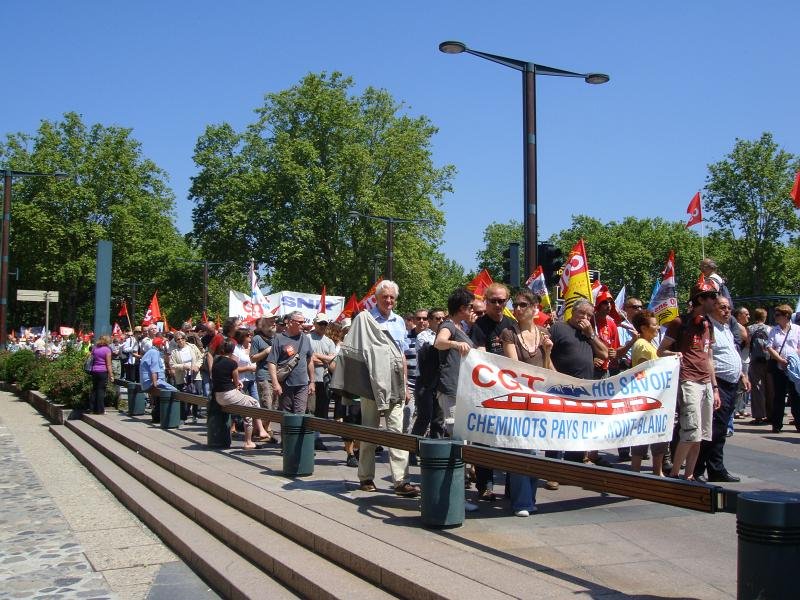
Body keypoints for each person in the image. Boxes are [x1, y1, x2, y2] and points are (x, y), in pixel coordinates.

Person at [357, 279, 419, 498]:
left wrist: (405, 385)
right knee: (369, 429)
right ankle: (365, 476)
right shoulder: (364, 318)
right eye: (385, 297)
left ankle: (401, 481)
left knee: (397, 431)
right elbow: (356, 351)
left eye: (392, 297)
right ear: (377, 297)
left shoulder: (399, 321)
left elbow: (401, 355)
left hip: (394, 381)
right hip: (371, 380)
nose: (389, 300)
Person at [658, 280, 720, 480]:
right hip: (689, 380)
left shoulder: (708, 324)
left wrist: (715, 387)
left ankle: (690, 475)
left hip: (706, 383)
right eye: (713, 298)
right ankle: (676, 473)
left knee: (702, 433)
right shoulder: (679, 322)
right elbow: (661, 351)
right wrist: (675, 355)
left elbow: (709, 357)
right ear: (701, 299)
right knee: (691, 430)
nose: (716, 302)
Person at [500, 289, 553, 516]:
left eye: (523, 305)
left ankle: (528, 498)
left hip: (538, 399)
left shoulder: (543, 334)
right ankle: (522, 502)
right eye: (516, 305)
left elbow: (548, 369)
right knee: (521, 448)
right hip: (518, 397)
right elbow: (515, 367)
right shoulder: (509, 333)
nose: (517, 309)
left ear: (534, 309)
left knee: (534, 449)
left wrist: (548, 351)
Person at [469, 282, 516, 501]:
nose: (498, 305)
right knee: (484, 440)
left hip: (512, 391)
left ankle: (510, 486)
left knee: (509, 441)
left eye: (502, 301)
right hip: (488, 392)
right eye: (493, 301)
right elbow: (481, 356)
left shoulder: (512, 324)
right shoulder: (479, 326)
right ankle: (484, 485)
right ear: (486, 301)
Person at [693, 296, 747, 482]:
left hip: (732, 384)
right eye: (723, 307)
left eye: (729, 308)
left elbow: (732, 353)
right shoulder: (708, 327)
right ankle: (697, 469)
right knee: (713, 428)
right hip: (718, 384)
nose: (727, 311)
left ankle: (716, 468)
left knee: (721, 429)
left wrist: (742, 374)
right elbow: (708, 358)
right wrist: (714, 386)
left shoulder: (726, 328)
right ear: (713, 308)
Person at [549, 298, 609, 465]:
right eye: (581, 313)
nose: (584, 318)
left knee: (578, 431)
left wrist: (591, 335)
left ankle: (573, 467)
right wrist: (554, 376)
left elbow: (604, 354)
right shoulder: (559, 328)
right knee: (558, 432)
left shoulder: (588, 333)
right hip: (561, 388)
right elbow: (546, 353)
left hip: (584, 390)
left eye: (589, 315)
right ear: (573, 312)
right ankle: (552, 471)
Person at [433, 287, 477, 511]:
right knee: (457, 441)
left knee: (462, 441)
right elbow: (438, 342)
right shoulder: (448, 326)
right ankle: (454, 496)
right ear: (462, 308)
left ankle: (458, 494)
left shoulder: (460, 327)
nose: (472, 311)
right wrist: (454, 344)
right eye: (470, 307)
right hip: (450, 391)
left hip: (461, 390)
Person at [628, 310, 667, 476]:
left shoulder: (650, 344)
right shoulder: (643, 345)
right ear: (643, 328)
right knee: (642, 436)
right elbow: (643, 371)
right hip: (648, 395)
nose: (657, 327)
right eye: (653, 325)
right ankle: (636, 472)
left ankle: (657, 471)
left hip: (656, 395)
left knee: (657, 434)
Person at [212, 339, 260, 450]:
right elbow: (236, 380)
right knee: (253, 404)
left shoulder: (216, 360)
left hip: (218, 396)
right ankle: (249, 441)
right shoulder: (232, 363)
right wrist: (239, 384)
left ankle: (254, 432)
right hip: (229, 394)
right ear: (232, 350)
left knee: (245, 404)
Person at [267, 310, 315, 414]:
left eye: (303, 321)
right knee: (286, 415)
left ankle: (297, 431)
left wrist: (312, 382)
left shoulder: (306, 339)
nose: (303, 324)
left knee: (300, 414)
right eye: (300, 322)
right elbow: (271, 362)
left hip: (302, 384)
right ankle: (287, 431)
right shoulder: (279, 338)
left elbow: (310, 360)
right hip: (285, 384)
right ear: (290, 322)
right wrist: (275, 383)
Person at [766, 304, 800, 433]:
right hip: (779, 367)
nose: (775, 317)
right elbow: (769, 347)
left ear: (786, 316)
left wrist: (793, 358)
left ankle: (798, 422)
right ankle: (777, 424)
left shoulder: (797, 329)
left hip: (793, 368)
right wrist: (780, 360)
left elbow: (799, 346)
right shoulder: (774, 330)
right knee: (778, 396)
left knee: (796, 396)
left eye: (778, 315)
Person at [250, 316, 279, 442]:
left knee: (274, 407)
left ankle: (260, 430)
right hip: (264, 376)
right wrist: (266, 352)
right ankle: (262, 431)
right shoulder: (257, 339)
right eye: (270, 321)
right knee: (267, 405)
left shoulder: (277, 338)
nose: (273, 323)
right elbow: (253, 358)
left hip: (277, 376)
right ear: (263, 324)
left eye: (274, 321)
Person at [747, 308, 770, 425]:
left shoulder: (750, 329)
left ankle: (759, 416)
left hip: (755, 361)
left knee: (757, 388)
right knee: (770, 388)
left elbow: (747, 344)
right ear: (764, 317)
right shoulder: (769, 329)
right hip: (768, 361)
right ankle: (771, 415)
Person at [88, 335, 114, 414]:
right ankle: (100, 410)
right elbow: (108, 364)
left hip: (94, 371)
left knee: (94, 390)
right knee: (101, 391)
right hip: (102, 371)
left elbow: (91, 359)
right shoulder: (107, 350)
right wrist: (111, 375)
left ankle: (92, 409)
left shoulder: (95, 349)